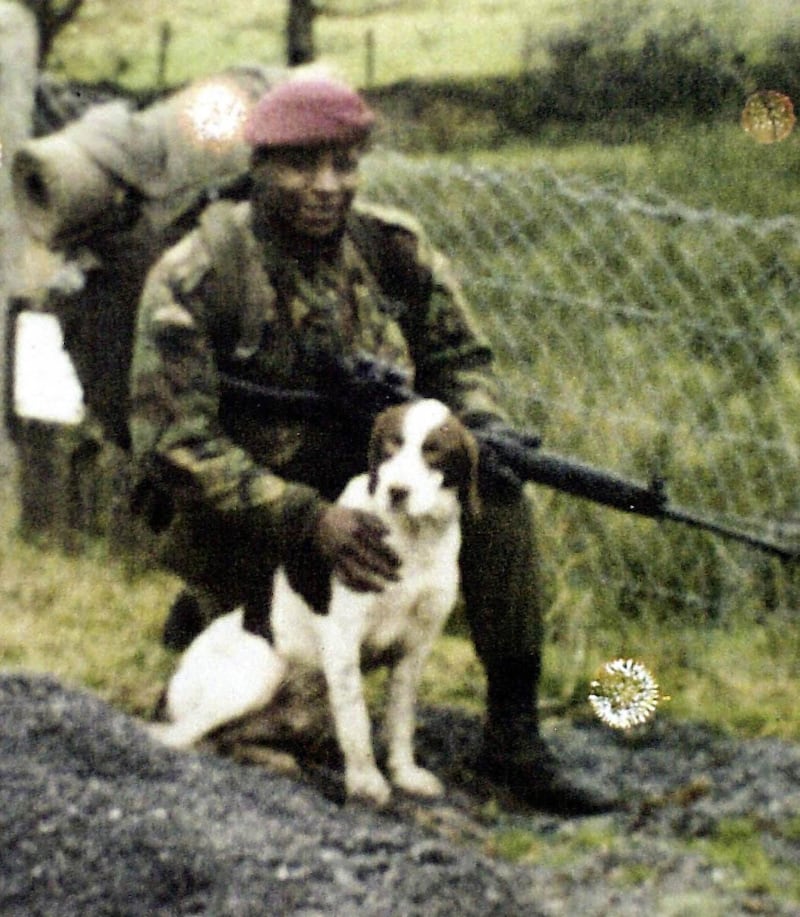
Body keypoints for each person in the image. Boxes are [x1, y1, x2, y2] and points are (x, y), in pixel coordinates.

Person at [129, 73, 615, 815]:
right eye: (300, 165)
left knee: (502, 495)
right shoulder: (199, 275)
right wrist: (303, 517)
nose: (327, 185)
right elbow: (173, 441)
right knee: (277, 684)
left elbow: (463, 362)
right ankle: (216, 612)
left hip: (376, 488)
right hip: (247, 521)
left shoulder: (391, 251)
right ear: (257, 167)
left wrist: (478, 426)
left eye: (345, 164)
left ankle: (514, 734)